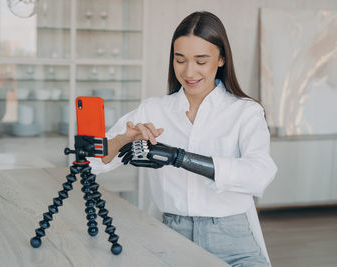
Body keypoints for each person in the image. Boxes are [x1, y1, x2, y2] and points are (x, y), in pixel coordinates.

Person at [89, 11, 277, 266]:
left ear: (221, 59)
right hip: (169, 238)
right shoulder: (152, 110)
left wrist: (179, 158)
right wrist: (124, 139)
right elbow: (90, 163)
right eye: (180, 60)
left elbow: (260, 174)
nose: (189, 72)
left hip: (233, 242)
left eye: (201, 61)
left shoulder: (245, 111)